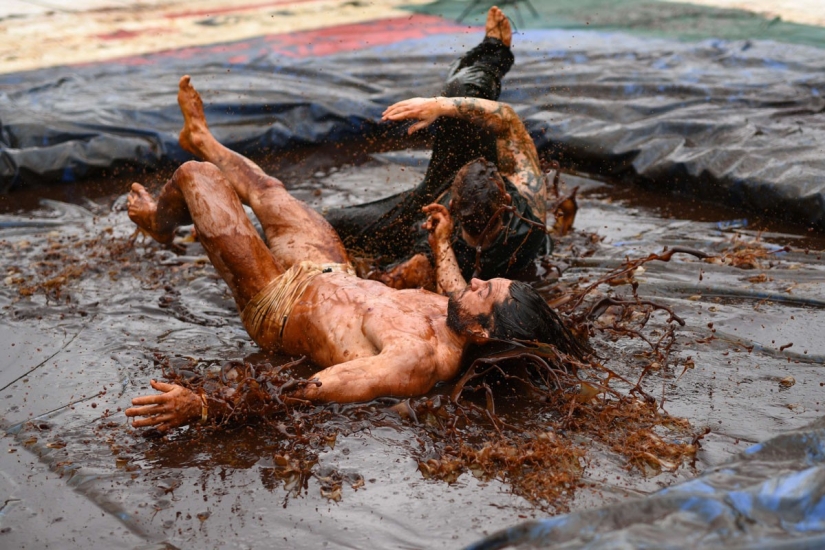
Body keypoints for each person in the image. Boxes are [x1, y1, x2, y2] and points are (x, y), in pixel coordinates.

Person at [123, 76, 587, 432]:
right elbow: (455, 288)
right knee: (267, 189)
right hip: (326, 268)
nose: (475, 281)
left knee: (195, 176)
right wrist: (443, 243)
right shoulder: (459, 316)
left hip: (277, 302)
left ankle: (157, 222)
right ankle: (201, 134)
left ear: (484, 332)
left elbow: (308, 392)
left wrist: (204, 405)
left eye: (485, 291)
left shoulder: (415, 361)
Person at [326, 6, 550, 289]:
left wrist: (440, 244)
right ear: (505, 198)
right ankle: (494, 51)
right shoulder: (528, 198)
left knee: (329, 224)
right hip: (444, 216)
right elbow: (507, 119)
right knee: (461, 93)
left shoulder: (444, 258)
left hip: (432, 222)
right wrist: (439, 106)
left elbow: (451, 298)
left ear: (453, 205)